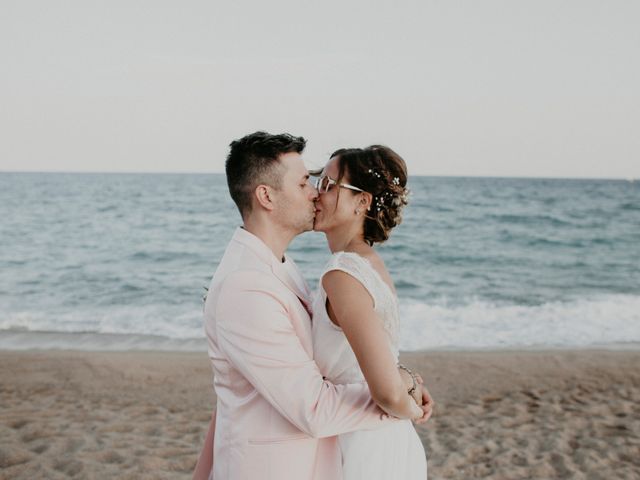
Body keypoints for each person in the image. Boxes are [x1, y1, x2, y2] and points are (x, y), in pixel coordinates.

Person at [193, 132, 432, 480]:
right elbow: (315, 409)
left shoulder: (283, 268)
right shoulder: (247, 286)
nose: (315, 193)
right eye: (306, 182)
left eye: (323, 183)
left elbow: (235, 389)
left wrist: (398, 385)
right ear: (266, 196)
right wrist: (400, 395)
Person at [312, 145, 428, 478]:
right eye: (319, 183)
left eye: (330, 186)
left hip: (363, 445)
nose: (317, 194)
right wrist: (408, 383)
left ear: (362, 201)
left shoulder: (343, 274)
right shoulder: (367, 264)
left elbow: (388, 393)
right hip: (378, 438)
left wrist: (410, 407)